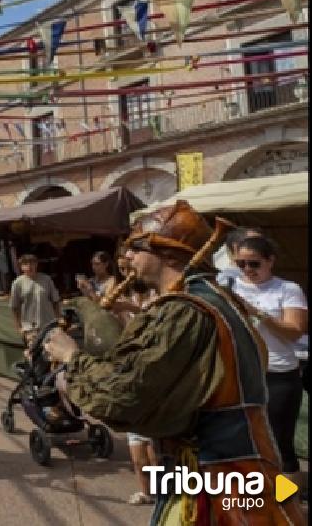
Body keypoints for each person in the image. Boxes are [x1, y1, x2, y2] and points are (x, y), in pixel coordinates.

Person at [43, 201, 304, 524]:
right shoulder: (213, 297)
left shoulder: (186, 310)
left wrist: (72, 357)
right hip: (229, 464)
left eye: (136, 248)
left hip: (218, 471)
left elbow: (123, 393)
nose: (127, 258)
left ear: (168, 255)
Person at [230, 236, 307, 488]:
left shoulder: (287, 289)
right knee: (245, 443)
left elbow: (294, 331)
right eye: (241, 264)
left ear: (270, 261)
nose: (247, 270)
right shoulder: (230, 287)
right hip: (243, 375)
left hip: (278, 375)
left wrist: (257, 313)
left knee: (279, 445)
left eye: (254, 264)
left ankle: (287, 507)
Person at [9, 254, 60, 346]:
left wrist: (58, 319)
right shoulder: (17, 283)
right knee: (35, 355)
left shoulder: (46, 279)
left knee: (53, 355)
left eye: (32, 263)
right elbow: (14, 307)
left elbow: (55, 301)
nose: (29, 266)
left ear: (36, 264)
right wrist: (19, 328)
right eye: (25, 264)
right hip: (30, 328)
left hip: (49, 325)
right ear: (21, 267)